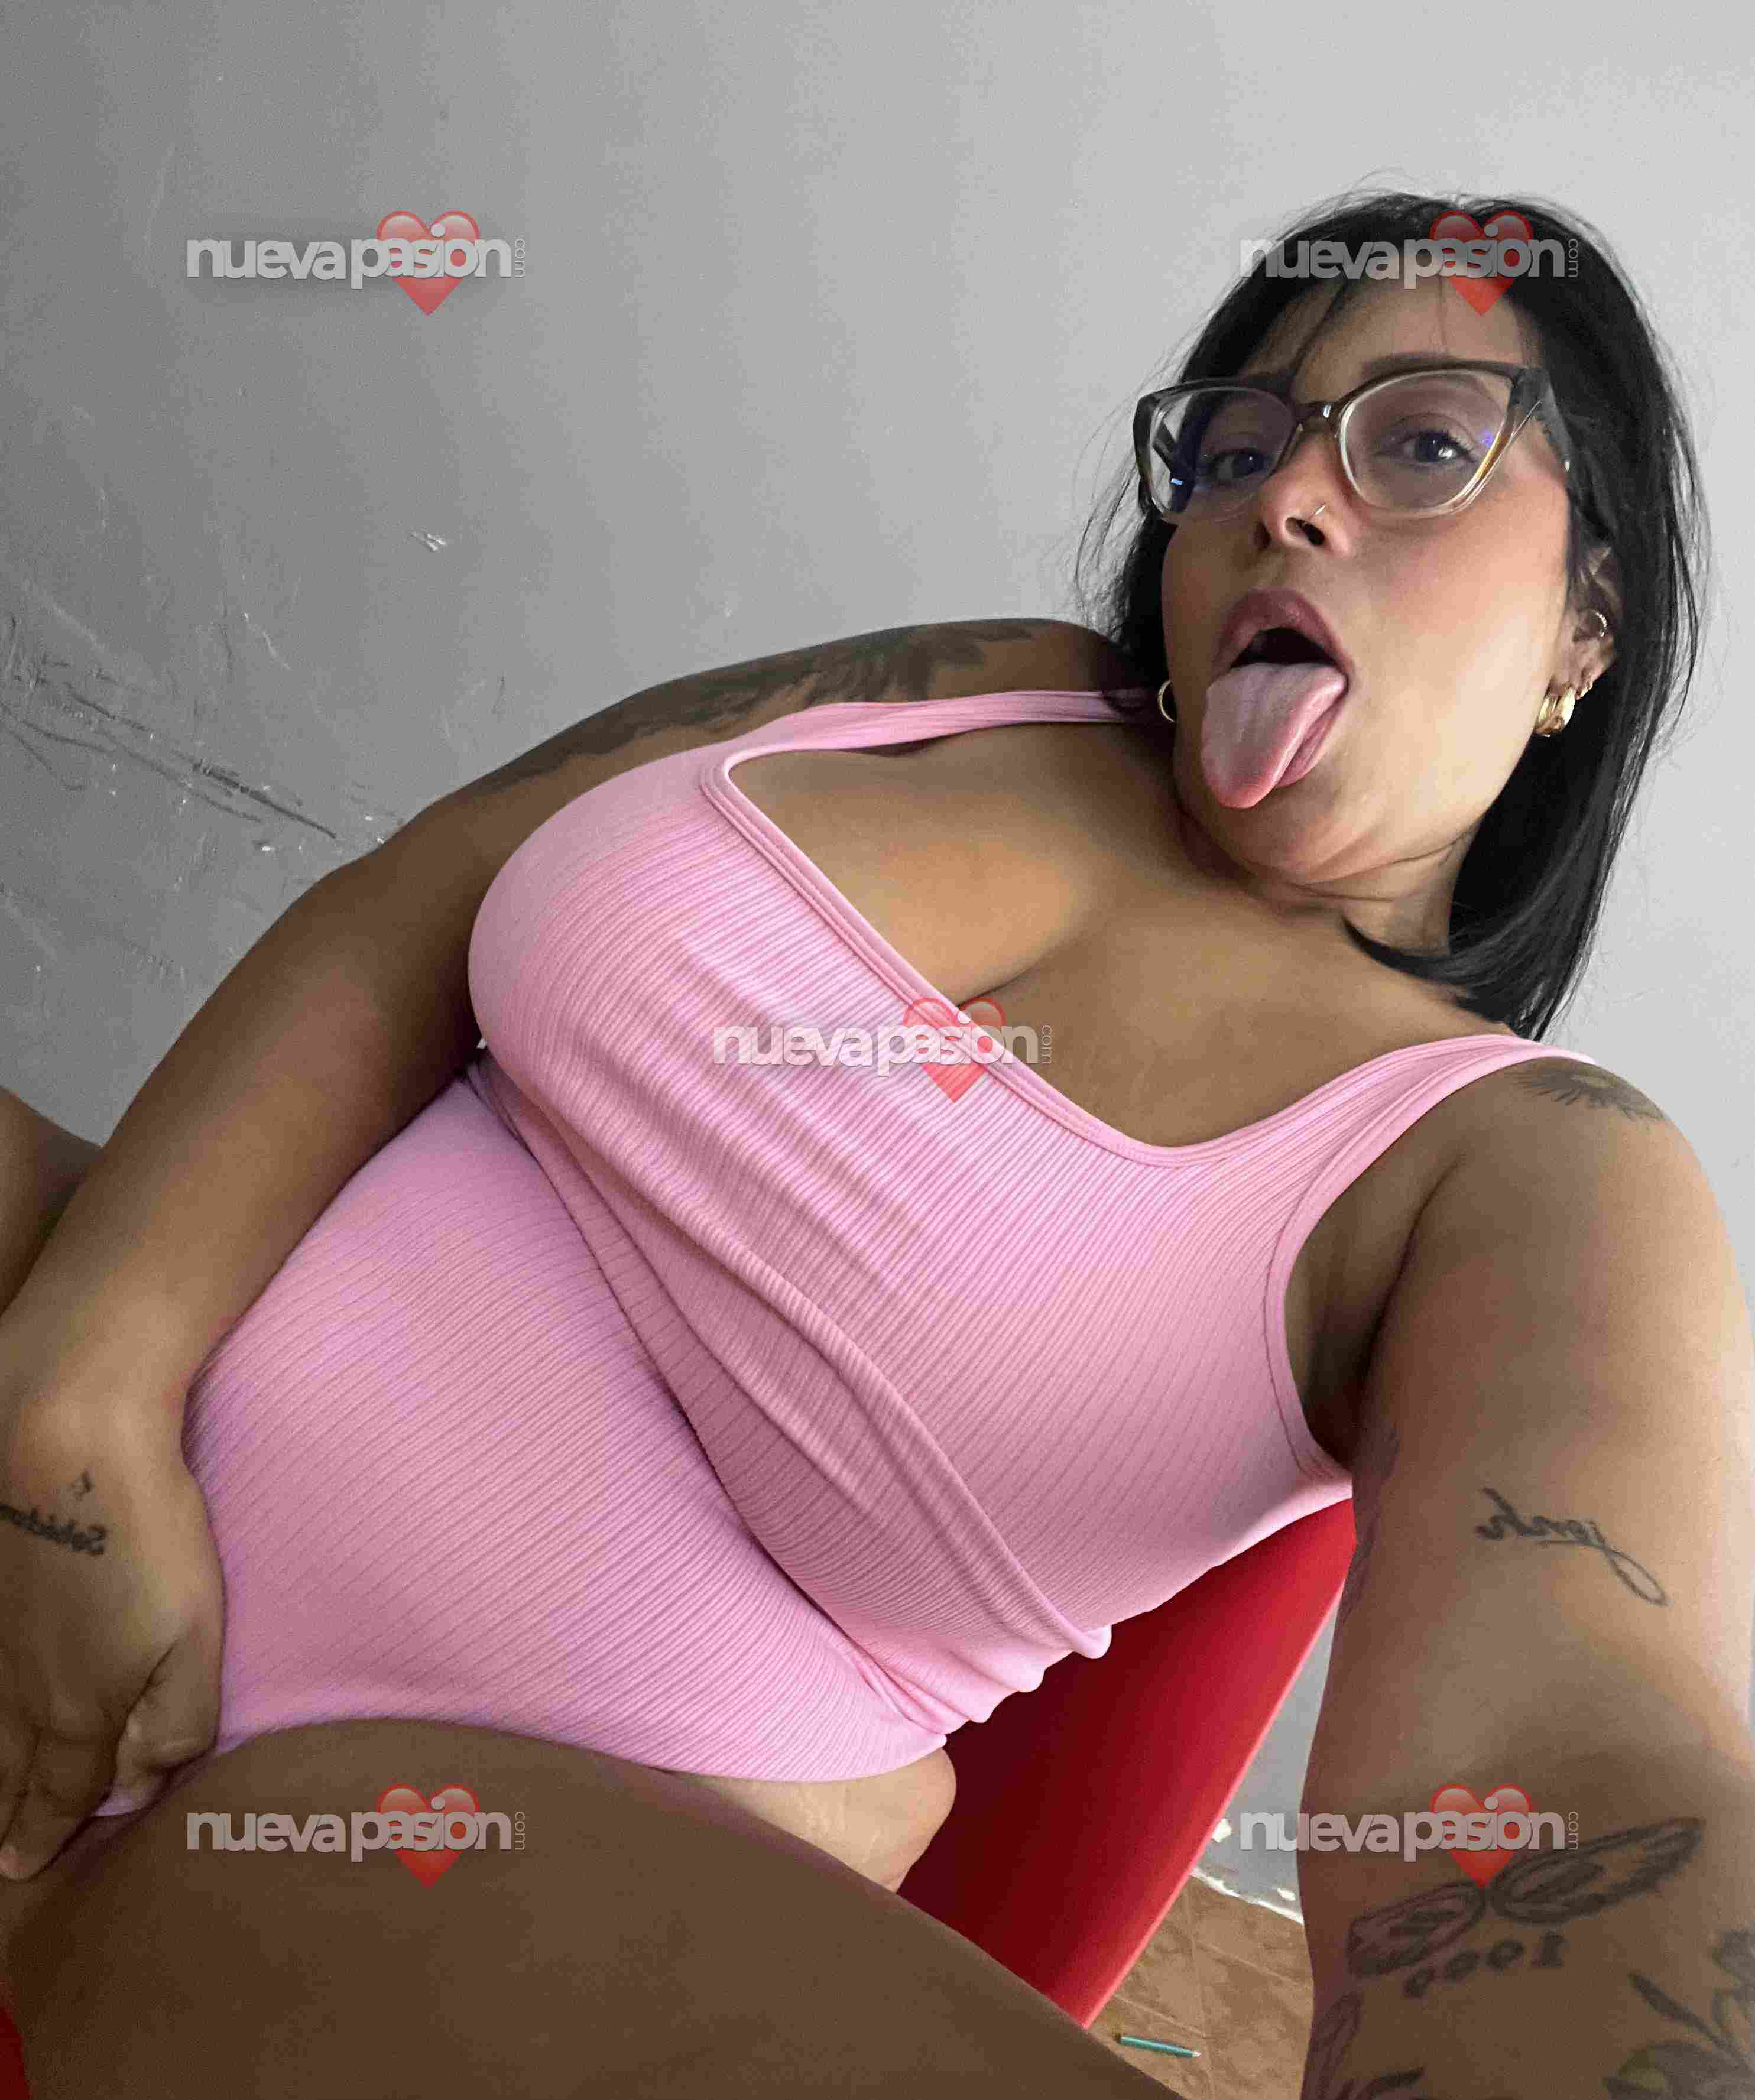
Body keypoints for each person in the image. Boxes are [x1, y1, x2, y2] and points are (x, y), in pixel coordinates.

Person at [0, 189, 1749, 2099]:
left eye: (1417, 444)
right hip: (92, 1393)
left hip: (414, 1843)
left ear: (1587, 624)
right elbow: (416, 903)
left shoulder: (1527, 1163)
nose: (1286, 501)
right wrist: (76, 1407)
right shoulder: (979, 683)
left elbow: (1576, 1749)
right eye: (1236, 447)